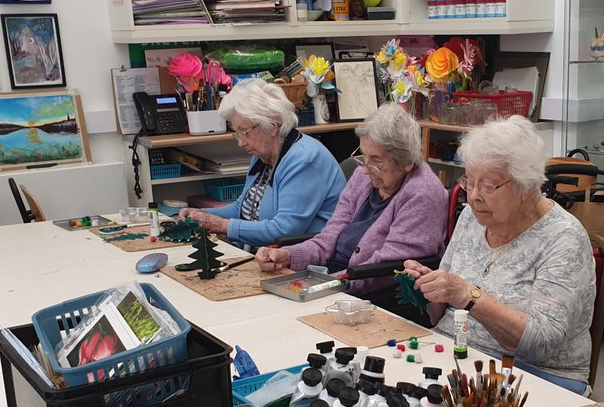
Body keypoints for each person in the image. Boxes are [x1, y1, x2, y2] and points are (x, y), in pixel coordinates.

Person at [404, 116, 595, 393]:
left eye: (489, 186)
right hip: (457, 356)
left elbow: (541, 345)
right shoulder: (473, 216)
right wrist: (429, 287)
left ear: (526, 187)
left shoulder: (563, 238)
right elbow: (439, 315)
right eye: (470, 182)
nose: (473, 197)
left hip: (533, 378)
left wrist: (468, 295)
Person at [255, 104, 447, 296]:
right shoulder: (362, 177)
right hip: (334, 280)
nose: (365, 168)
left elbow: (386, 269)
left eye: (376, 159)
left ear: (406, 162)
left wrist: (324, 285)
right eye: (364, 157)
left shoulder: (423, 193)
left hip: (372, 294)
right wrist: (287, 256)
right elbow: (327, 239)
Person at [179, 79, 345, 250]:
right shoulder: (264, 155)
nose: (241, 143)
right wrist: (202, 215)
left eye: (245, 133)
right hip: (263, 255)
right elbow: (242, 208)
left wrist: (222, 225)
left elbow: (284, 230)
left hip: (301, 262)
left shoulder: (304, 160)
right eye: (237, 134)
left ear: (272, 127)